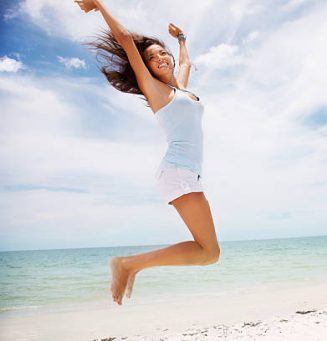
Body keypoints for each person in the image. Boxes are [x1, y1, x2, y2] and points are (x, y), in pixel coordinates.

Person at [75, 0, 221, 306]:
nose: (161, 58)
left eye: (162, 53)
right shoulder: (155, 90)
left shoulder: (180, 89)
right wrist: (99, 5)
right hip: (178, 172)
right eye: (153, 58)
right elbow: (127, 41)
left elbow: (186, 65)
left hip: (184, 173)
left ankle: (131, 265)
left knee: (209, 253)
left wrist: (181, 40)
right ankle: (128, 264)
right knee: (208, 252)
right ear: (147, 68)